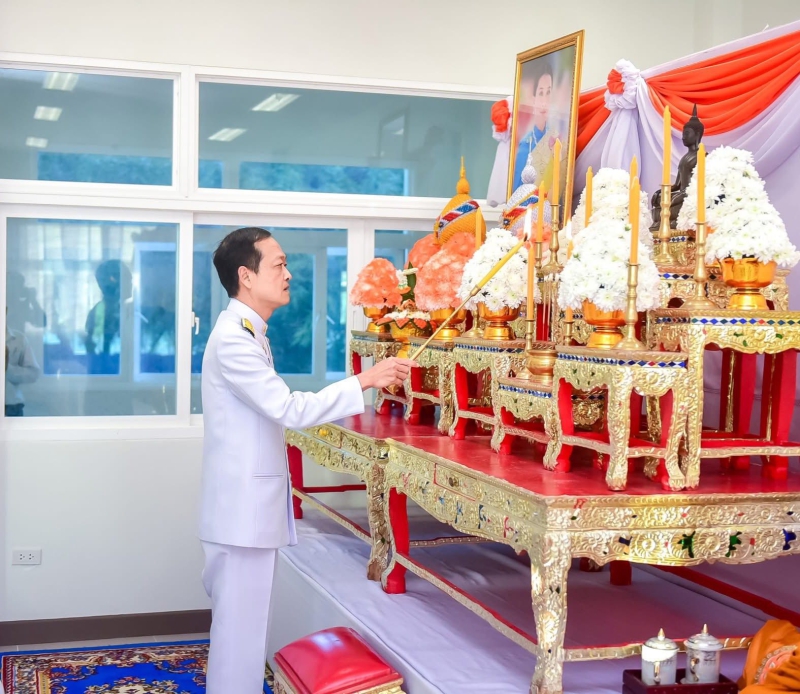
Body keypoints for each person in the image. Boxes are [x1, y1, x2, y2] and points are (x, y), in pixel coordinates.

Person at [198, 227, 414, 694]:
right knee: (239, 639)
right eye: (278, 264)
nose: (289, 274)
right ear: (246, 276)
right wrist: (365, 380)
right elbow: (288, 409)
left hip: (244, 510)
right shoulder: (234, 338)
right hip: (240, 513)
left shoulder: (249, 332)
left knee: (243, 636)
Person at [6, 309, 41, 416]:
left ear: (5, 310)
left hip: (11, 406)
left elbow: (33, 374)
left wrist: (7, 368)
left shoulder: (19, 339)